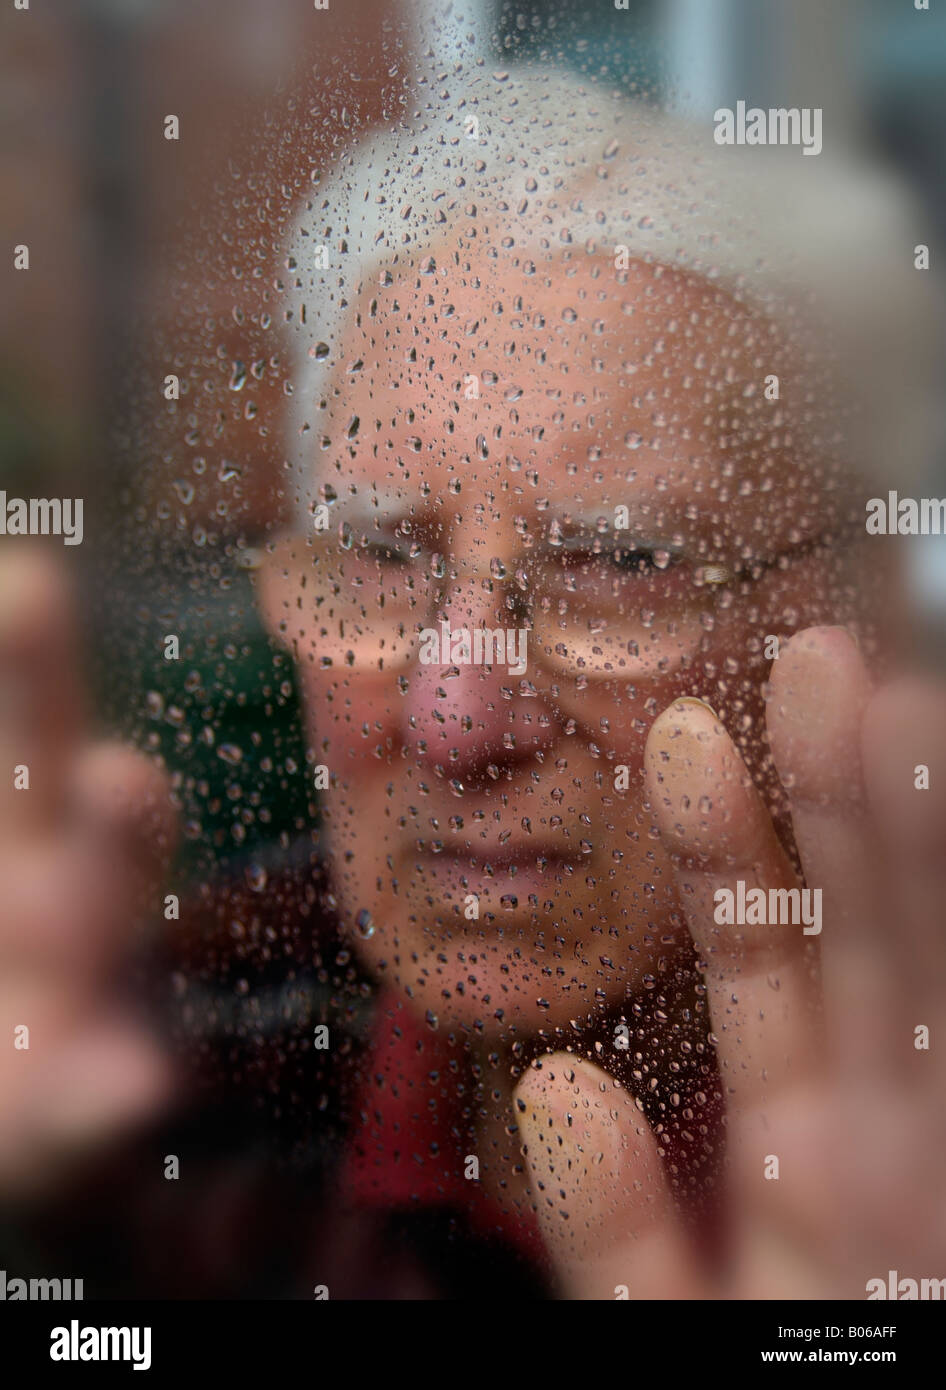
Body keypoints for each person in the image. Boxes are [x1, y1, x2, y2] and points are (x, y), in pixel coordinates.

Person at [2, 68, 944, 1300]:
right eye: (385, 558)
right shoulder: (183, 1059)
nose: (456, 716)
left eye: (620, 562)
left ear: (865, 614)